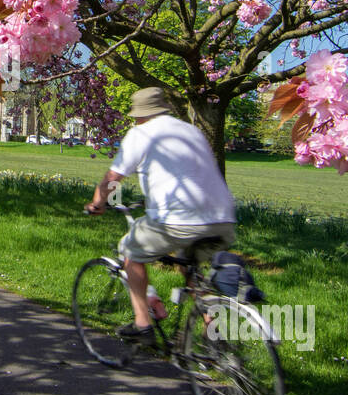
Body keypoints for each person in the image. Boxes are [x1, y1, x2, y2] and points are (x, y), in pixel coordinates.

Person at [85, 87, 236, 345]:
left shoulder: (141, 133)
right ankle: (213, 333)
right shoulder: (191, 130)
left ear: (139, 115)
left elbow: (113, 179)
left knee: (130, 251)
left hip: (178, 217)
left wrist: (98, 203)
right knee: (188, 264)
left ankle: (142, 323)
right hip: (223, 218)